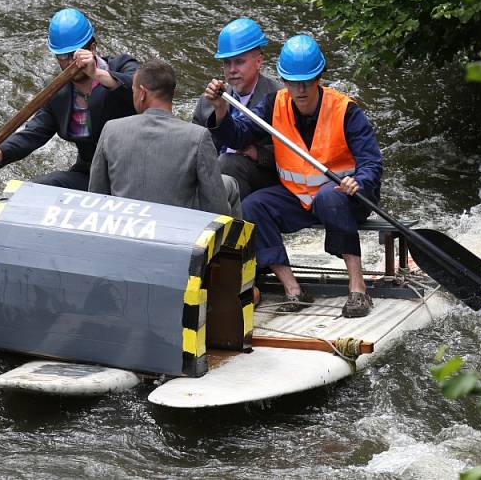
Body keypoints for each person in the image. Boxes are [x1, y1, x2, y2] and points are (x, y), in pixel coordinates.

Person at [203, 35, 383, 317]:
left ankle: (358, 288)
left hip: (345, 198)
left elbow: (371, 161)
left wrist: (359, 181)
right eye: (292, 82)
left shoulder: (346, 110)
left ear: (319, 78)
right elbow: (238, 135)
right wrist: (221, 108)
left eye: (306, 82)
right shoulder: (274, 104)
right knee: (253, 206)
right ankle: (294, 290)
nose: (299, 90)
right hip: (299, 197)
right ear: (284, 80)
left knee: (328, 197)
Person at [0, 8, 138, 190]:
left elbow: (142, 89)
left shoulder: (122, 67)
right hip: (91, 175)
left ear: (93, 49)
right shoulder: (58, 95)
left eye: (75, 54)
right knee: (40, 187)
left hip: (135, 171)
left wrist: (97, 74)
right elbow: (33, 133)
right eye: (63, 56)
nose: (70, 62)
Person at [89, 59, 240, 218]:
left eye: (133, 91)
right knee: (229, 184)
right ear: (173, 94)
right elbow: (217, 208)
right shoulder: (198, 136)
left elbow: (96, 194)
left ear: (142, 93)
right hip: (176, 228)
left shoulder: (111, 129)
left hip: (124, 224)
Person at [192, 18, 281, 198]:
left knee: (228, 163)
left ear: (258, 62)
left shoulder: (279, 98)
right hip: (217, 175)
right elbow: (193, 148)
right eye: (226, 63)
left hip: (263, 178)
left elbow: (296, 158)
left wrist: (259, 154)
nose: (231, 70)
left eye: (239, 62)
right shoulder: (208, 100)